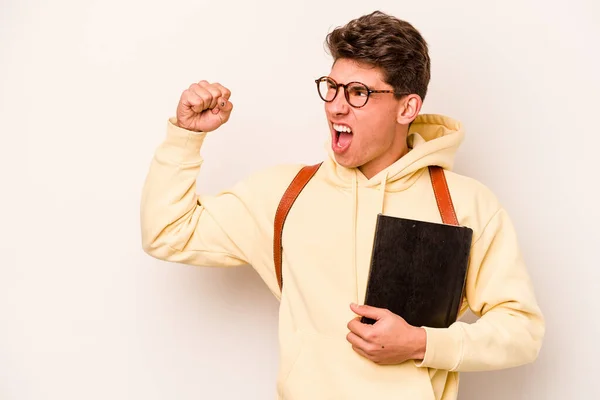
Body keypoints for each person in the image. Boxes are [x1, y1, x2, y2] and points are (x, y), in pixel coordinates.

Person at [140, 10, 545, 400]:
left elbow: (522, 331)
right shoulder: (286, 193)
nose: (336, 106)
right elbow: (167, 233)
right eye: (331, 87)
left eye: (359, 93)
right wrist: (185, 138)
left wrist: (422, 343)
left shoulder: (465, 204)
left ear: (407, 108)